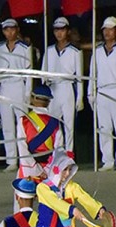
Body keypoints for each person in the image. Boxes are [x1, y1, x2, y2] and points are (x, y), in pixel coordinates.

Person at [0, 18, 33, 170]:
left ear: (17, 30)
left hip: (18, 86)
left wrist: (28, 92)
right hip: (4, 86)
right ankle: (12, 160)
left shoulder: (24, 47)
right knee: (7, 125)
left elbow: (29, 71)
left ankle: (25, 158)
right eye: (6, 29)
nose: (9, 32)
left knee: (22, 124)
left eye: (12, 29)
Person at [90, 16, 116, 171]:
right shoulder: (98, 51)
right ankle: (107, 160)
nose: (107, 32)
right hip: (102, 91)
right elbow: (93, 74)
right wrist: (90, 94)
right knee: (104, 128)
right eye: (105, 29)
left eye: (110, 29)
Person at [41, 17, 82, 146]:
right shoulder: (49, 50)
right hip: (53, 88)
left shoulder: (75, 51)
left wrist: (80, 97)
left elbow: (79, 76)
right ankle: (56, 153)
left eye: (62, 30)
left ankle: (69, 155)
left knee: (69, 125)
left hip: (67, 87)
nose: (59, 33)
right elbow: (43, 72)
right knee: (53, 124)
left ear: (67, 31)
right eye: (56, 30)